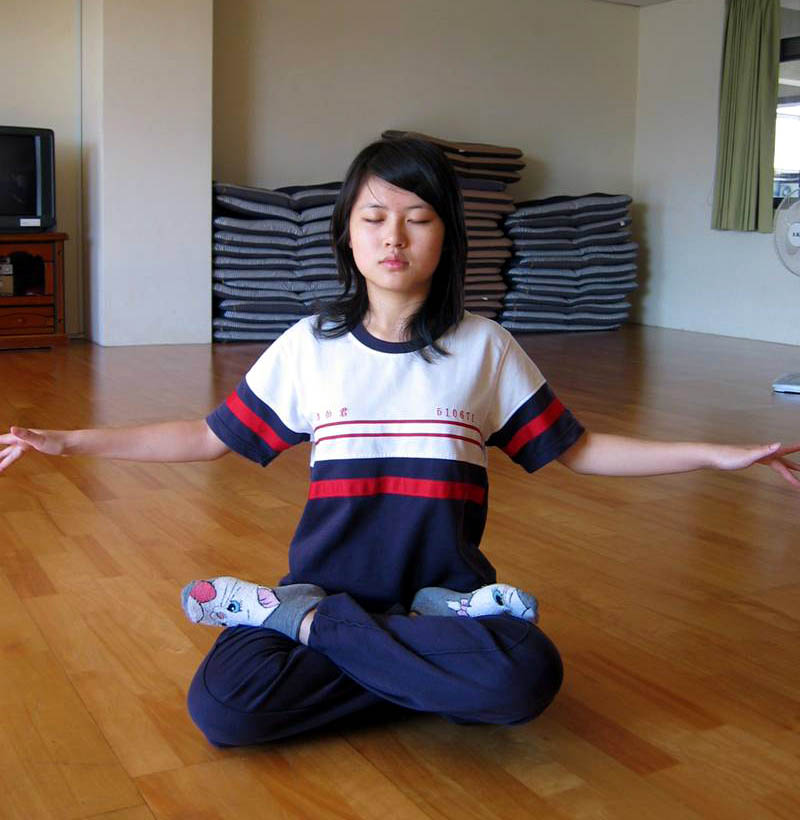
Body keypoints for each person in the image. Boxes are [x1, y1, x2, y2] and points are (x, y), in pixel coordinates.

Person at [1, 138, 798, 747]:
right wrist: (70, 440)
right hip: (330, 586)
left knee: (527, 679)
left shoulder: (484, 347)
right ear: (347, 236)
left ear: (445, 236)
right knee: (225, 708)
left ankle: (311, 628)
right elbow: (208, 438)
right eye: (374, 218)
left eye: (418, 219)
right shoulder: (310, 347)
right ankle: (367, 645)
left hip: (445, 596)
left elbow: (579, 450)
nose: (395, 237)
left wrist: (714, 454)